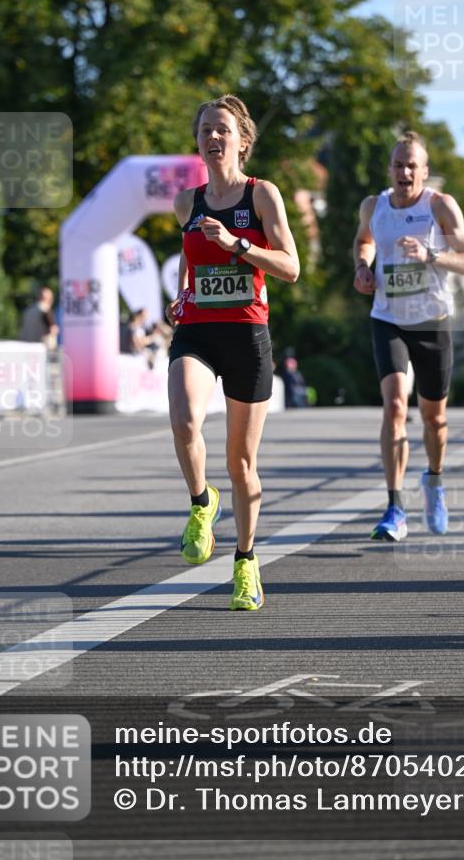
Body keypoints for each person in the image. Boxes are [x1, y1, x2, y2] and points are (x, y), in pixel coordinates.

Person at [166, 94, 300, 609]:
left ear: (242, 141)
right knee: (183, 422)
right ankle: (202, 503)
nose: (213, 137)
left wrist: (237, 245)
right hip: (198, 331)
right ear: (198, 143)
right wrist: (181, 292)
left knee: (241, 463)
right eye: (205, 131)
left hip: (247, 336)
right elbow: (188, 256)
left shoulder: (262, 195)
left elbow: (290, 267)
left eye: (222, 129)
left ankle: (245, 561)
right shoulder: (187, 202)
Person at [353, 130, 464, 541]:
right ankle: (394, 507)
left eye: (412, 166)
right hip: (387, 317)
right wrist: (363, 267)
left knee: (434, 418)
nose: (405, 172)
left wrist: (430, 255)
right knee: (393, 407)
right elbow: (364, 241)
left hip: (431, 321)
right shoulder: (374, 206)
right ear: (389, 169)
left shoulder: (440, 206)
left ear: (425, 171)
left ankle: (435, 482)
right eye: (398, 165)